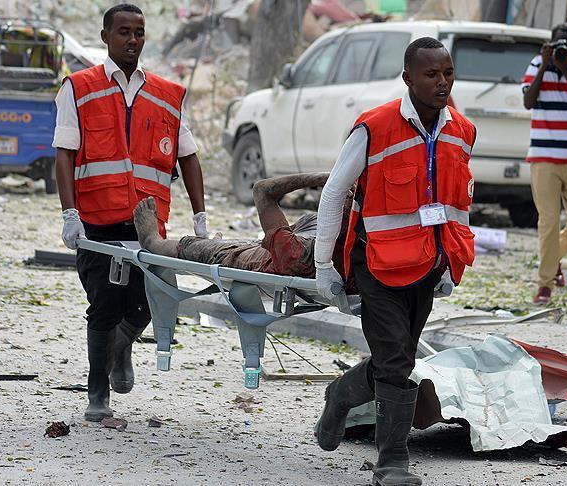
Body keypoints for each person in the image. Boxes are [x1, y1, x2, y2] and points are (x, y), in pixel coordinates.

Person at [312, 37, 476, 486]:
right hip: (377, 265)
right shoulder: (374, 126)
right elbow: (333, 194)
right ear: (408, 78)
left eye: (447, 72)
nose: (442, 82)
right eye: (431, 74)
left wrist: (451, 261)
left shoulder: (461, 131)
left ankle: (340, 395)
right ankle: (392, 462)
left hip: (427, 264)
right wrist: (325, 265)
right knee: (397, 362)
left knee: (394, 357)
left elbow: (459, 203)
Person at [53, 4, 207, 422]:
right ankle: (97, 399)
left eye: (138, 32)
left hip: (147, 228)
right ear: (105, 37)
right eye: (123, 32)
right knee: (103, 306)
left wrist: (200, 218)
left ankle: (120, 347)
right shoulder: (79, 88)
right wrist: (70, 214)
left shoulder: (167, 95)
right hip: (97, 223)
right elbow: (64, 156)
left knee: (148, 304)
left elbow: (188, 158)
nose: (132, 39)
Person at [132, 173, 354, 293]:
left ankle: (152, 241)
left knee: (196, 248)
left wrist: (324, 179)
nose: (349, 195)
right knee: (239, 243)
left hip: (247, 257)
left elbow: (262, 190)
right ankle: (212, 243)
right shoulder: (353, 237)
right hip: (279, 244)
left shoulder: (297, 254)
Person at [522, 22, 567, 304]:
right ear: (550, 44)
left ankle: (553, 260)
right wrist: (544, 64)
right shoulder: (535, 65)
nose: (566, 48)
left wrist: (565, 69)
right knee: (549, 221)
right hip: (543, 159)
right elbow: (528, 101)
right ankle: (545, 284)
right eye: (560, 43)